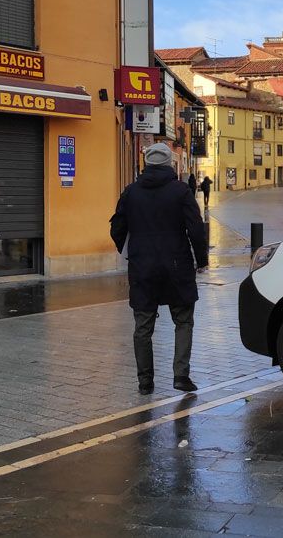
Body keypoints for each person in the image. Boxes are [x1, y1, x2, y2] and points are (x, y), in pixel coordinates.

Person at [110, 143, 207, 395]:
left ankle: (145, 381)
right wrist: (202, 259)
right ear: (168, 165)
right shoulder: (181, 191)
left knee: (143, 326)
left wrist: (132, 251)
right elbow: (196, 227)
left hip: (143, 268)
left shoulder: (130, 192)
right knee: (183, 320)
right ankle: (181, 376)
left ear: (146, 165)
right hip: (177, 266)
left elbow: (116, 228)